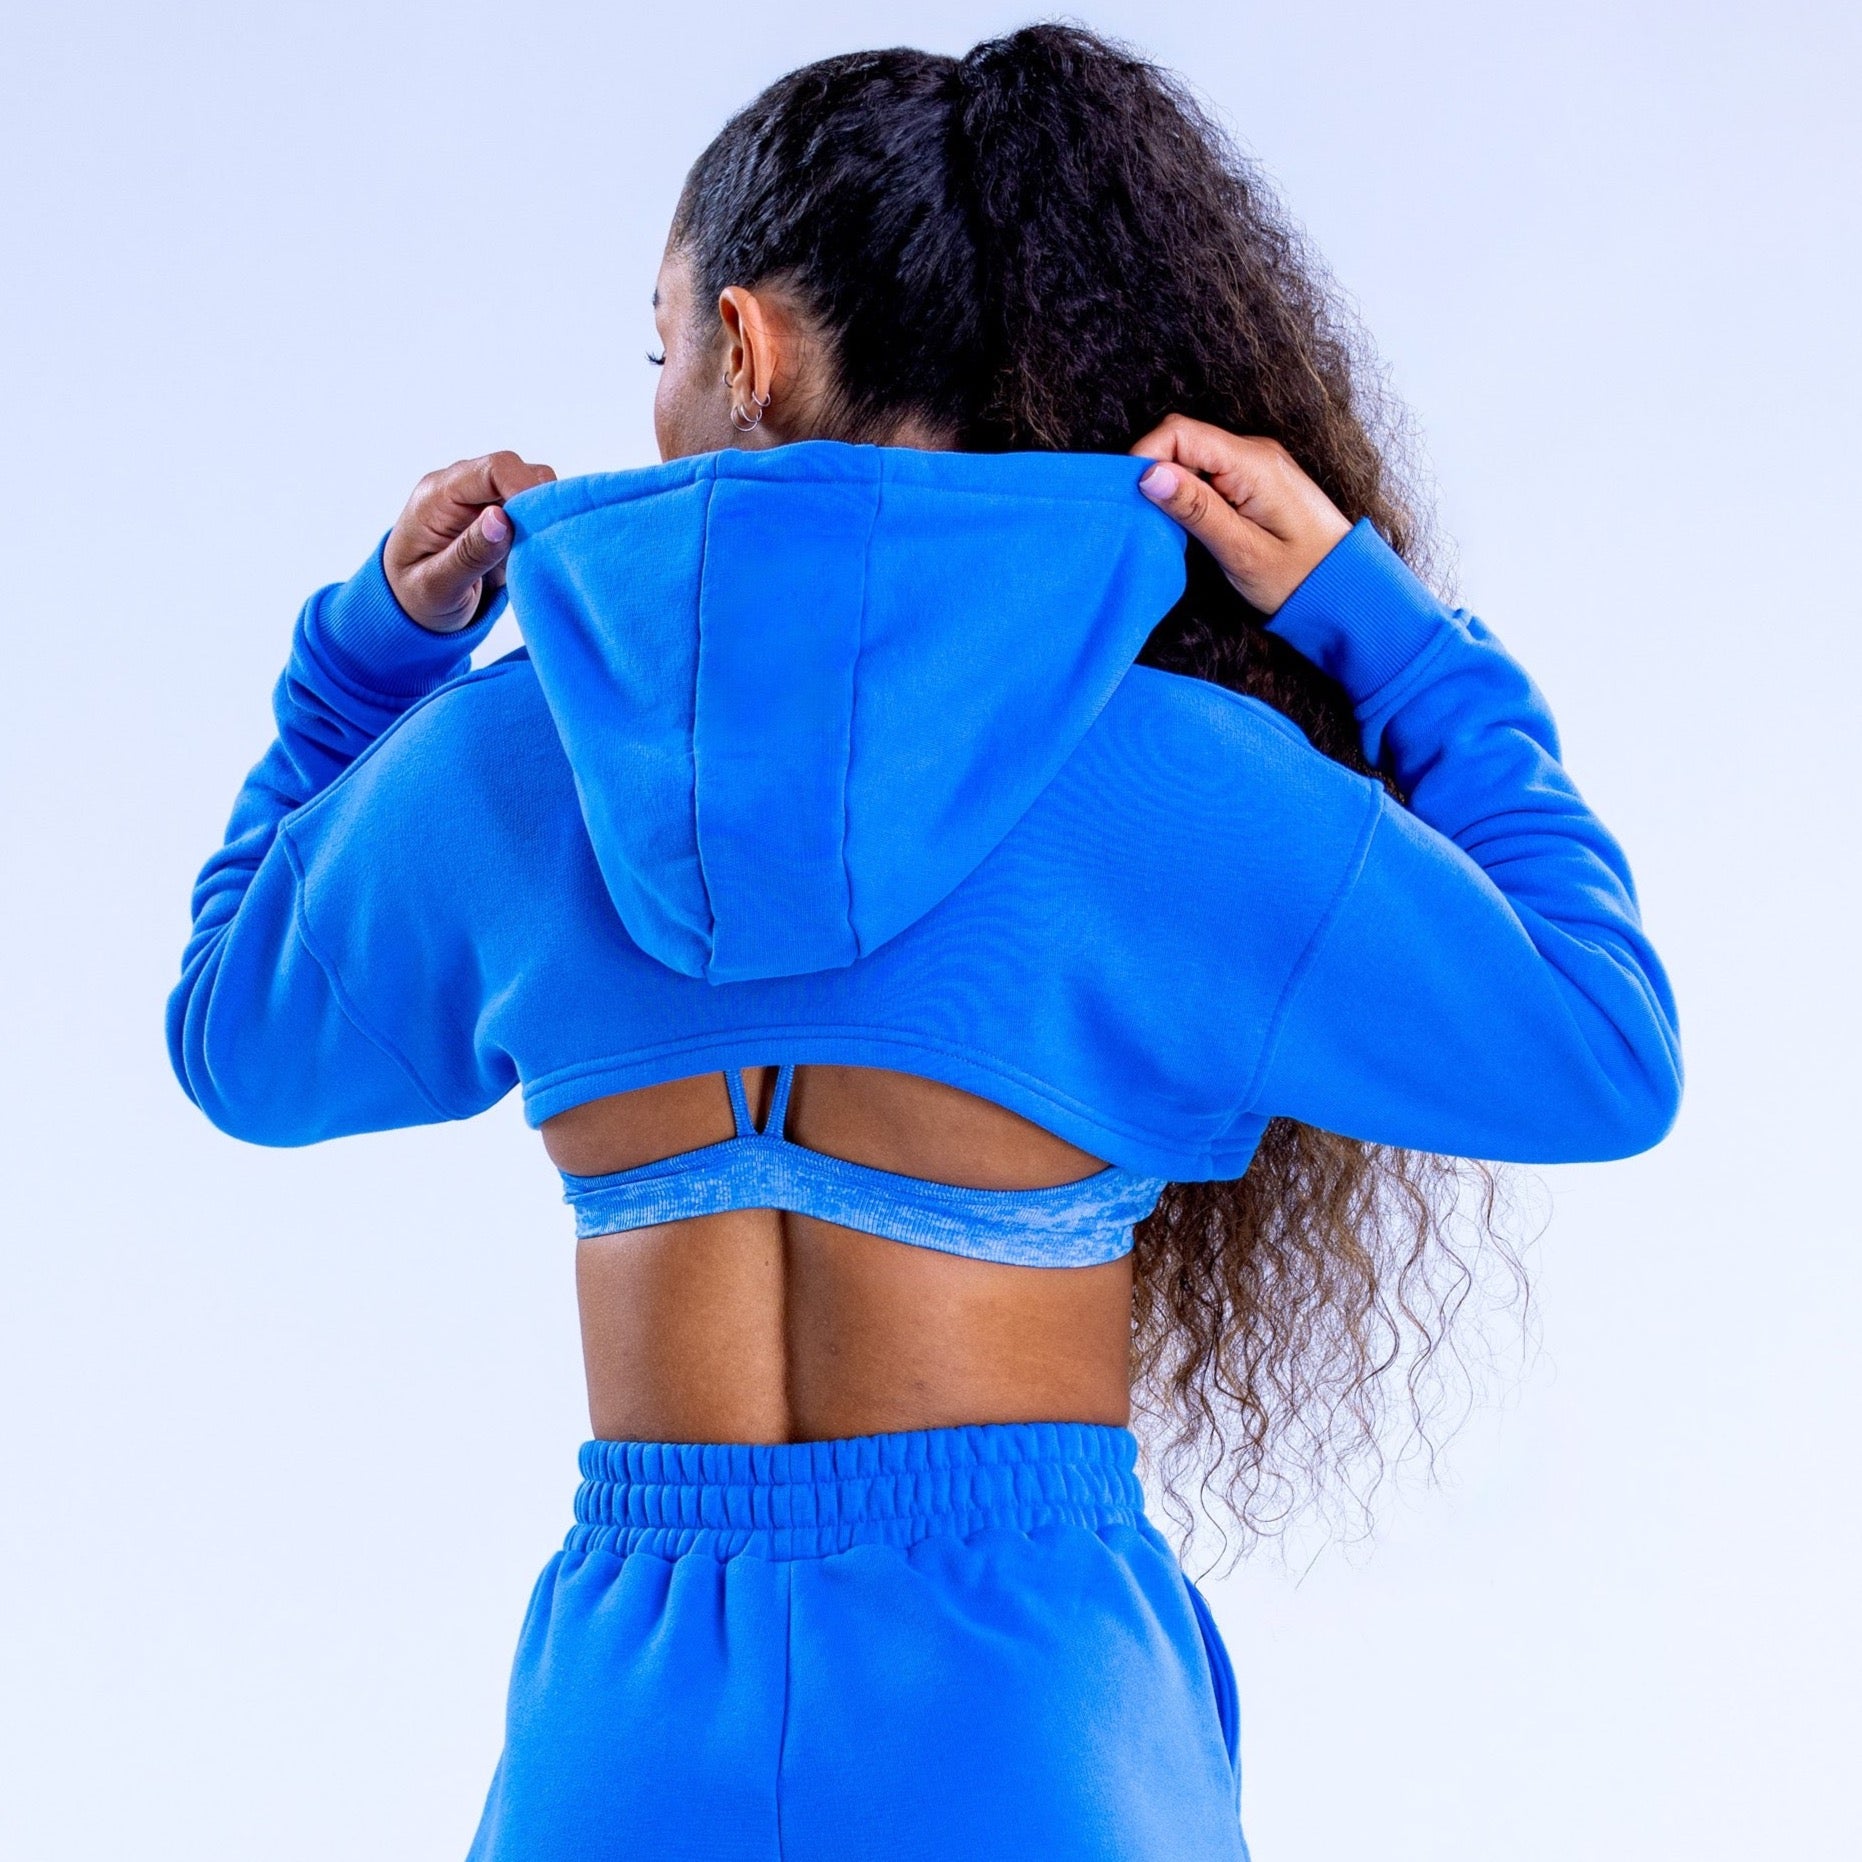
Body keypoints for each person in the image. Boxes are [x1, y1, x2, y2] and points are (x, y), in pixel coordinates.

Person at [166, 25, 1681, 1862]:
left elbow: (232, 1039)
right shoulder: (1173, 776)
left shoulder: (505, 758)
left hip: (623, 1739)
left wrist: (362, 670)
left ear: (742, 349)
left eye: (658, 346)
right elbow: (1601, 1051)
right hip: (1030, 1735)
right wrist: (1385, 629)